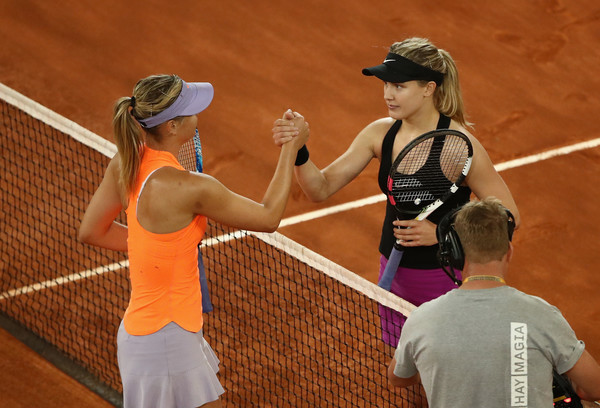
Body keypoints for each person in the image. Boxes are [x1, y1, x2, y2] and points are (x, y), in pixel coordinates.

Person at [78, 74, 308, 408]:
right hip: (167, 342)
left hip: (147, 334)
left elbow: (92, 231)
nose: (199, 116)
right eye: (192, 110)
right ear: (171, 126)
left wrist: (162, 248)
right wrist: (291, 147)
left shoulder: (125, 164)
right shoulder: (192, 187)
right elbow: (268, 217)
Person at [272, 37, 520, 346]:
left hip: (443, 278)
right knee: (404, 367)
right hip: (392, 270)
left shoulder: (457, 146)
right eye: (386, 85)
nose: (388, 95)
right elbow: (319, 189)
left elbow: (508, 216)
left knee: (441, 366)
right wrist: (298, 150)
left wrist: (444, 232)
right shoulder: (380, 133)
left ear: (428, 88)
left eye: (399, 86)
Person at [387, 197, 600, 406]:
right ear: (509, 252)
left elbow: (399, 377)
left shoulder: (422, 319)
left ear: (455, 254)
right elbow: (593, 388)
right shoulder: (543, 316)